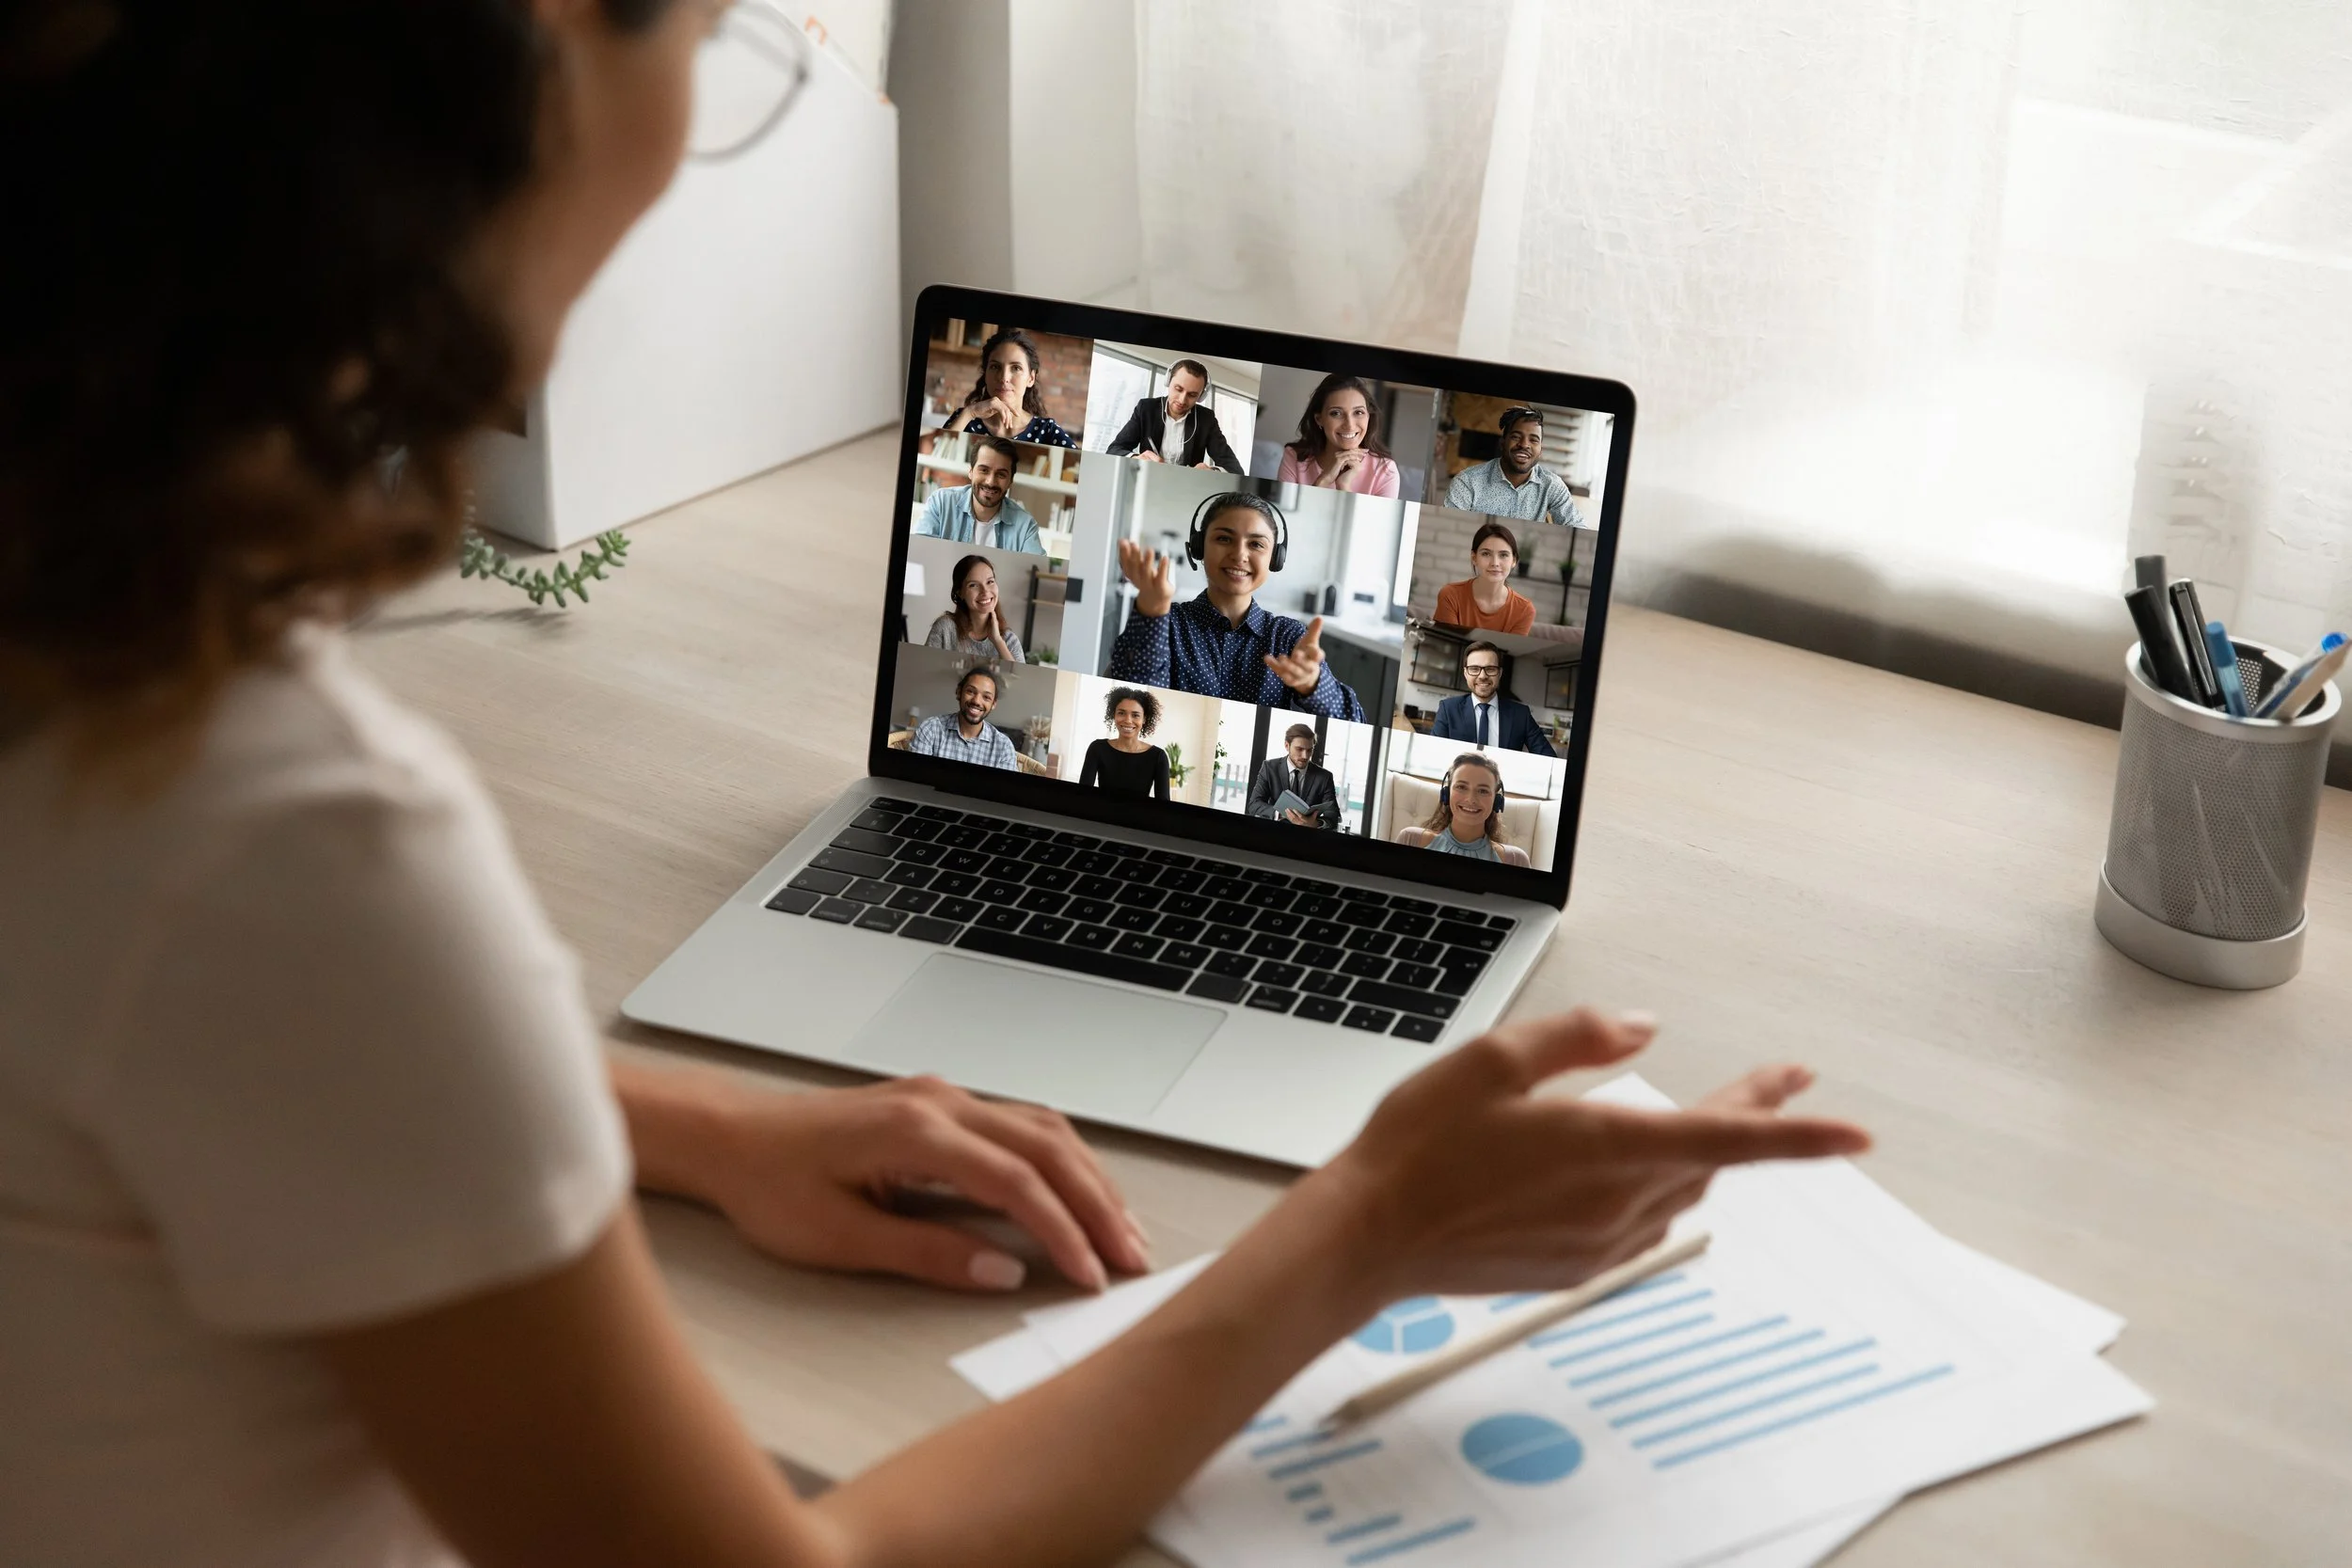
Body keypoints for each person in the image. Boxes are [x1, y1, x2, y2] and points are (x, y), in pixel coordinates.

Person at [0, 6, 1875, 1565]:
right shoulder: (286, 837)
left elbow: (229, 1049)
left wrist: (690, 1125)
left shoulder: (90, 670)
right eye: (716, 39)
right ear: (533, 55)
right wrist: (1367, 1226)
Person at [1109, 495, 1366, 721]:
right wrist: (1152, 611)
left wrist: (1313, 685)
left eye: (1256, 544)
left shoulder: (1288, 638)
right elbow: (1133, 702)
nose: (1239, 554)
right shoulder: (1165, 622)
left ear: (1275, 559)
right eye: (1224, 538)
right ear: (1198, 547)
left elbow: (1356, 721)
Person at [1444, 405, 1586, 527]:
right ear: (1502, 443)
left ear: (1540, 451)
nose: (1524, 444)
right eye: (1516, 437)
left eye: (1533, 440)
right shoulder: (1467, 482)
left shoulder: (1551, 485)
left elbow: (1577, 525)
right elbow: (1449, 526)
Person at [945, 325, 1077, 449]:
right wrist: (970, 412)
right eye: (995, 367)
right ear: (985, 374)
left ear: (1031, 378)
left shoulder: (1048, 432)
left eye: (1016, 368)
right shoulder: (965, 418)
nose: (1004, 378)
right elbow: (937, 451)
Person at [1104, 357, 1241, 472]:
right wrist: (1136, 458)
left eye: (1192, 395)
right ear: (1168, 382)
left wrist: (1213, 471)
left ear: (1201, 396)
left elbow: (1234, 468)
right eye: (1178, 389)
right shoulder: (1146, 408)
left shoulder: (1207, 419)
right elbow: (1114, 449)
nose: (1182, 400)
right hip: (1148, 479)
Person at [914, 435, 1043, 554]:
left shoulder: (1025, 525)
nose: (990, 482)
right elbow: (919, 553)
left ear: (1010, 481)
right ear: (971, 472)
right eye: (984, 470)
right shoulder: (941, 502)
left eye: (1001, 474)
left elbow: (1036, 567)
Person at [1276, 372, 1400, 497]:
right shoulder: (1294, 457)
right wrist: (1324, 480)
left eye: (1358, 412)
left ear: (1368, 416)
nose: (1350, 425)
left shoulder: (1386, 470)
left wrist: (1344, 486)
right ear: (1319, 419)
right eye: (1336, 413)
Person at [1397, 752, 1533, 865]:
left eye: (1483, 791)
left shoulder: (1516, 860)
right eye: (1461, 787)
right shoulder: (1410, 840)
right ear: (1447, 793)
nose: (1471, 799)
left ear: (1497, 801)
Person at [1429, 641, 1557, 756]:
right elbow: (1433, 754)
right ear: (1465, 673)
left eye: (1490, 669)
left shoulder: (1521, 714)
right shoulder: (1448, 709)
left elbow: (1549, 758)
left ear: (1500, 673)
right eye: (1474, 669)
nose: (1482, 676)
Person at [1432, 520, 1537, 635]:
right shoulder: (1450, 595)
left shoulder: (1524, 610)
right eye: (1486, 554)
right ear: (1474, 558)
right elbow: (1446, 642)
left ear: (1514, 561)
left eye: (1503, 555)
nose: (1495, 563)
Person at [906, 667, 1021, 768]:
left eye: (986, 697)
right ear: (959, 692)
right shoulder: (930, 729)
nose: (976, 701)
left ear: (993, 704)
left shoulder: (1003, 747)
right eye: (970, 691)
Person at [1076, 687, 1171, 802]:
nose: (1128, 720)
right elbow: (1082, 796)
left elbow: (1163, 807)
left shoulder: (1158, 757)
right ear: (1114, 715)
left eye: (1135, 715)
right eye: (1121, 713)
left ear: (1144, 719)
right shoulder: (1097, 748)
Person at [925, 555, 1025, 663]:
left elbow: (1018, 674)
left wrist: (998, 641)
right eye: (973, 585)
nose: (985, 591)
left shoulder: (1010, 640)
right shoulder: (945, 628)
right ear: (960, 593)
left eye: (990, 582)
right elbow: (924, 667)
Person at [1247, 723, 1340, 827]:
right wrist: (1281, 814)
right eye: (1299, 749)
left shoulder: (1325, 777)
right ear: (1287, 745)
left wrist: (1315, 823)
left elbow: (1334, 815)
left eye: (1310, 750)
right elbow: (1254, 804)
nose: (1305, 756)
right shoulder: (1270, 768)